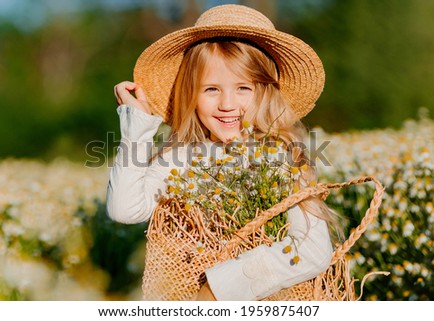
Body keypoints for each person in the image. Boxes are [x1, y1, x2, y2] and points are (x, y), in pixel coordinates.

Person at [107, 4, 342, 301]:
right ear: (190, 94)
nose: (227, 104)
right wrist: (136, 127)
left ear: (265, 91)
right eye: (211, 90)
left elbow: (312, 251)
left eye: (243, 88)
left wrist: (219, 288)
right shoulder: (181, 159)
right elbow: (123, 211)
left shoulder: (283, 157)